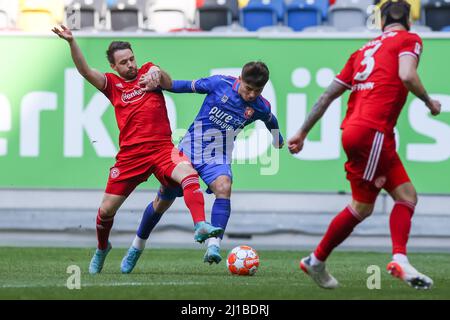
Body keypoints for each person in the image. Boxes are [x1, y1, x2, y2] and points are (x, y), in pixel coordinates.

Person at [288, 0, 441, 290]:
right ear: (408, 20)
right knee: (362, 206)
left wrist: (302, 132)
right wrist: (429, 102)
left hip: (361, 132)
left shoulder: (362, 51)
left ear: (381, 21)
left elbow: (326, 97)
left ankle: (317, 260)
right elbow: (407, 74)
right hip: (373, 132)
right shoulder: (410, 39)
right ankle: (392, 259)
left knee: (407, 195)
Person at [52, 25, 223, 274]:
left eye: (132, 58)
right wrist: (71, 43)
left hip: (162, 148)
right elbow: (85, 71)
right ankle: (102, 248)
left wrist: (156, 72)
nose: (131, 65)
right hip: (131, 156)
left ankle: (200, 226)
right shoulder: (112, 85)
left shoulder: (147, 72)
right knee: (106, 210)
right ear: (114, 66)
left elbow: (164, 78)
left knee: (188, 173)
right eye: (124, 62)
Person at [120, 61, 284, 273]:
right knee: (162, 201)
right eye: (248, 89)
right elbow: (184, 86)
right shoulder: (219, 84)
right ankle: (136, 246)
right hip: (188, 150)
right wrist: (160, 85)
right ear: (240, 80)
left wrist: (277, 139)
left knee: (224, 187)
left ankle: (213, 246)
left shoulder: (260, 106)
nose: (251, 95)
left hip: (217, 157)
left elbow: (271, 120)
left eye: (257, 91)